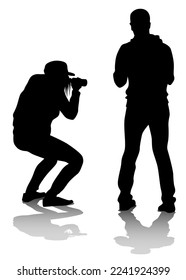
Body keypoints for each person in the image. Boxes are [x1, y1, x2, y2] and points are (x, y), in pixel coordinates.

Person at [113, 9, 176, 213]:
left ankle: (124, 197)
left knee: (130, 152)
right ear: (149, 24)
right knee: (161, 152)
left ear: (132, 25)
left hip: (136, 106)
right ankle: (168, 201)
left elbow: (119, 81)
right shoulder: (164, 49)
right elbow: (170, 79)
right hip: (158, 104)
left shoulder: (126, 50)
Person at [13, 61, 85, 207]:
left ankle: (30, 193)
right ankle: (51, 196)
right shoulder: (54, 89)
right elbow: (71, 114)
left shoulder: (35, 80)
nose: (67, 79)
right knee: (76, 160)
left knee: (51, 158)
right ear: (59, 76)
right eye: (65, 76)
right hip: (36, 138)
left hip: (21, 136)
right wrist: (76, 91)